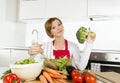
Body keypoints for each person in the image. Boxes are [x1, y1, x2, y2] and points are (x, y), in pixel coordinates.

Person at [28, 17, 96, 70]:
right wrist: (31, 54)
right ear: (50, 32)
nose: (58, 28)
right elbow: (33, 63)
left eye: (59, 24)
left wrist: (89, 44)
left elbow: (81, 67)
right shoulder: (45, 47)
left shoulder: (73, 46)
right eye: (54, 27)